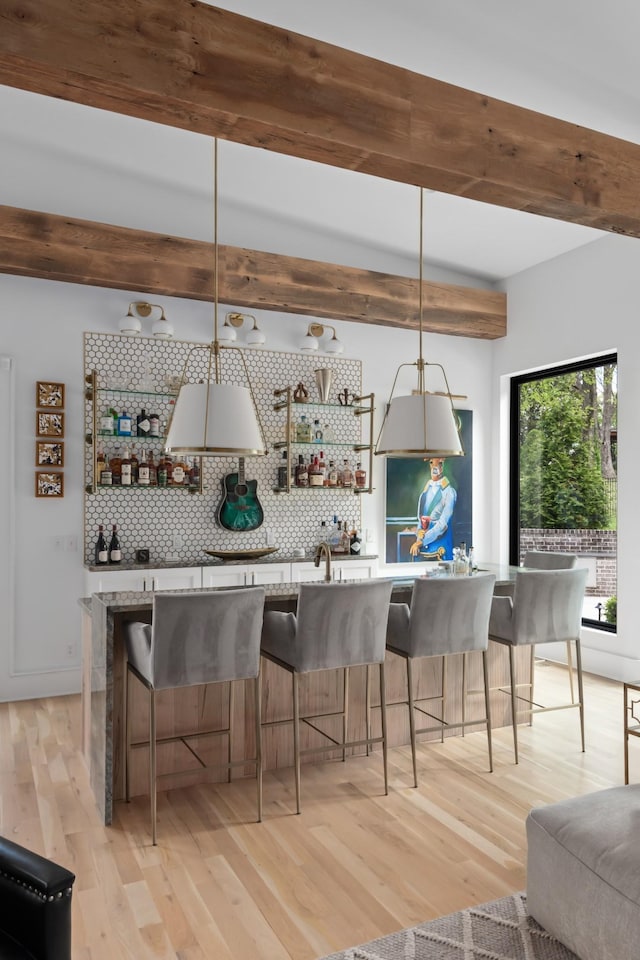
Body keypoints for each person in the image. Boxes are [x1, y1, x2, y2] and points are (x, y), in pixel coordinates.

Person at [409, 457, 457, 560]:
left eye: (438, 463)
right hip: (422, 549)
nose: (435, 466)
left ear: (442, 465)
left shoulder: (449, 493)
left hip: (440, 550)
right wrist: (418, 533)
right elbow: (420, 521)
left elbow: (442, 525)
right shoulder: (424, 493)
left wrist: (421, 542)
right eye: (432, 462)